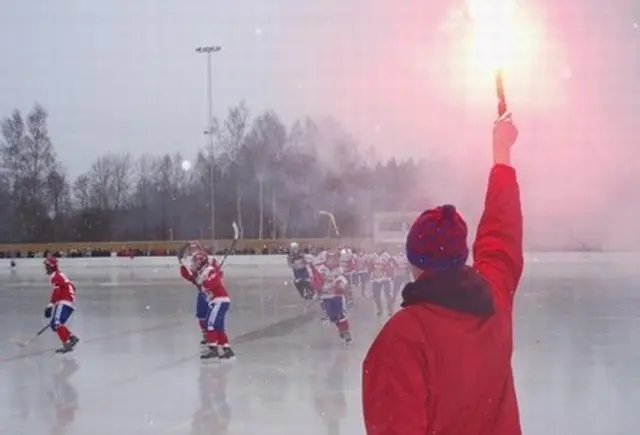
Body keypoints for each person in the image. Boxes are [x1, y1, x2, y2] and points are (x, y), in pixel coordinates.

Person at [362, 114, 523, 434]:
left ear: (414, 262)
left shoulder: (403, 337)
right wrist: (501, 153)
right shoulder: (494, 299)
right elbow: (501, 234)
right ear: (462, 254)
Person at [182, 250, 235, 360]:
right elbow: (189, 276)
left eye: (196, 262)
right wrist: (182, 265)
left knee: (210, 324)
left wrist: (205, 282)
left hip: (219, 300)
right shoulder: (201, 273)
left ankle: (213, 349)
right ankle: (226, 349)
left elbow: (214, 281)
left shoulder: (209, 270)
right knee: (218, 327)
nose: (194, 264)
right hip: (216, 301)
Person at [44, 255, 80, 354]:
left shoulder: (55, 276)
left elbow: (57, 290)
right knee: (54, 325)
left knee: (57, 323)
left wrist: (51, 304)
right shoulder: (59, 274)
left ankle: (67, 343)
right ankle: (71, 338)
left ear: (51, 266)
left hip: (65, 301)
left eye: (47, 266)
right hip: (66, 301)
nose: (45, 268)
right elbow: (71, 286)